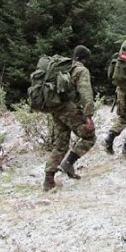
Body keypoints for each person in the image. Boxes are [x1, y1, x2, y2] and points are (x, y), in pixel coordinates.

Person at [43, 45, 96, 191]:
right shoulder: (81, 70)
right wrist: (88, 115)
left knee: (60, 144)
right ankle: (68, 163)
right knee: (90, 137)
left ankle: (49, 179)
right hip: (69, 109)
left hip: (56, 109)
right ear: (85, 59)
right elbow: (86, 93)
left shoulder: (64, 68)